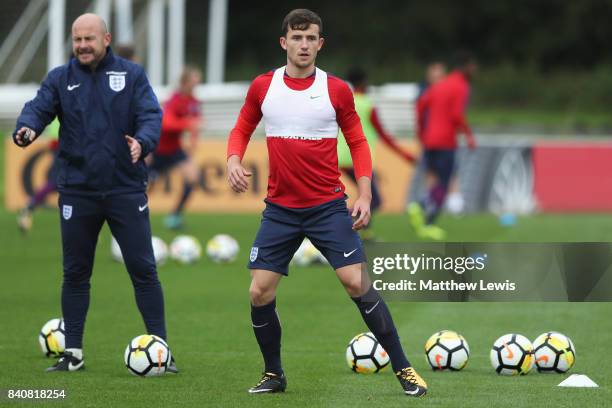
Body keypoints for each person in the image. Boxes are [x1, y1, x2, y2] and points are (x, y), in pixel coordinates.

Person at [226, 9, 427, 397]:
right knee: (258, 292)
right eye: (297, 38)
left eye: (311, 38)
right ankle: (273, 374)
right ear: (284, 42)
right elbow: (241, 128)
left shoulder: (336, 89)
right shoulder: (263, 86)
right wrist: (233, 159)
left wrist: (365, 193)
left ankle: (403, 368)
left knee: (357, 283)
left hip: (327, 207)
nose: (304, 45)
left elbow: (358, 142)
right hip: (280, 210)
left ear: (321, 43)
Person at [13, 13, 176, 373]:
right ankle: (73, 354)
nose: (83, 46)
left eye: (89, 39)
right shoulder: (60, 78)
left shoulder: (131, 75)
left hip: (125, 188)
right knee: (75, 273)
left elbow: (151, 115)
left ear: (106, 38)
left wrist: (143, 142)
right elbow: (38, 108)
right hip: (77, 191)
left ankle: (162, 349)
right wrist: (26, 128)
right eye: (77, 40)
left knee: (143, 270)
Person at [337, 67, 415, 241]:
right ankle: (337, 223)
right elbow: (384, 135)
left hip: (340, 156)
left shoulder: (344, 101)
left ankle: (363, 232)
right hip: (357, 159)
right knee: (375, 200)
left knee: (367, 198)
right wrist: (405, 154)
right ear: (364, 82)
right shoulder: (367, 104)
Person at [409, 51, 477, 240]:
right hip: (446, 141)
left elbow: (421, 105)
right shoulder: (461, 86)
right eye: (473, 67)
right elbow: (456, 114)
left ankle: (422, 208)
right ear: (466, 67)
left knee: (435, 179)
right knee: (444, 184)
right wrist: (469, 136)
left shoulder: (440, 85)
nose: (475, 70)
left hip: (429, 140)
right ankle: (425, 215)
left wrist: (422, 130)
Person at [149, 66, 203, 229]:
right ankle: (133, 214)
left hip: (175, 149)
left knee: (193, 178)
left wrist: (192, 143)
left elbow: (196, 124)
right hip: (158, 149)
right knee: (145, 187)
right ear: (185, 82)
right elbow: (166, 123)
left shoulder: (194, 102)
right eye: (194, 81)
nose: (196, 84)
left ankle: (175, 216)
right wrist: (188, 124)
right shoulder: (174, 100)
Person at [16, 118, 60, 233]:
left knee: (58, 181)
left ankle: (30, 205)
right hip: (61, 142)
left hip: (59, 141)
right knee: (58, 181)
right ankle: (30, 205)